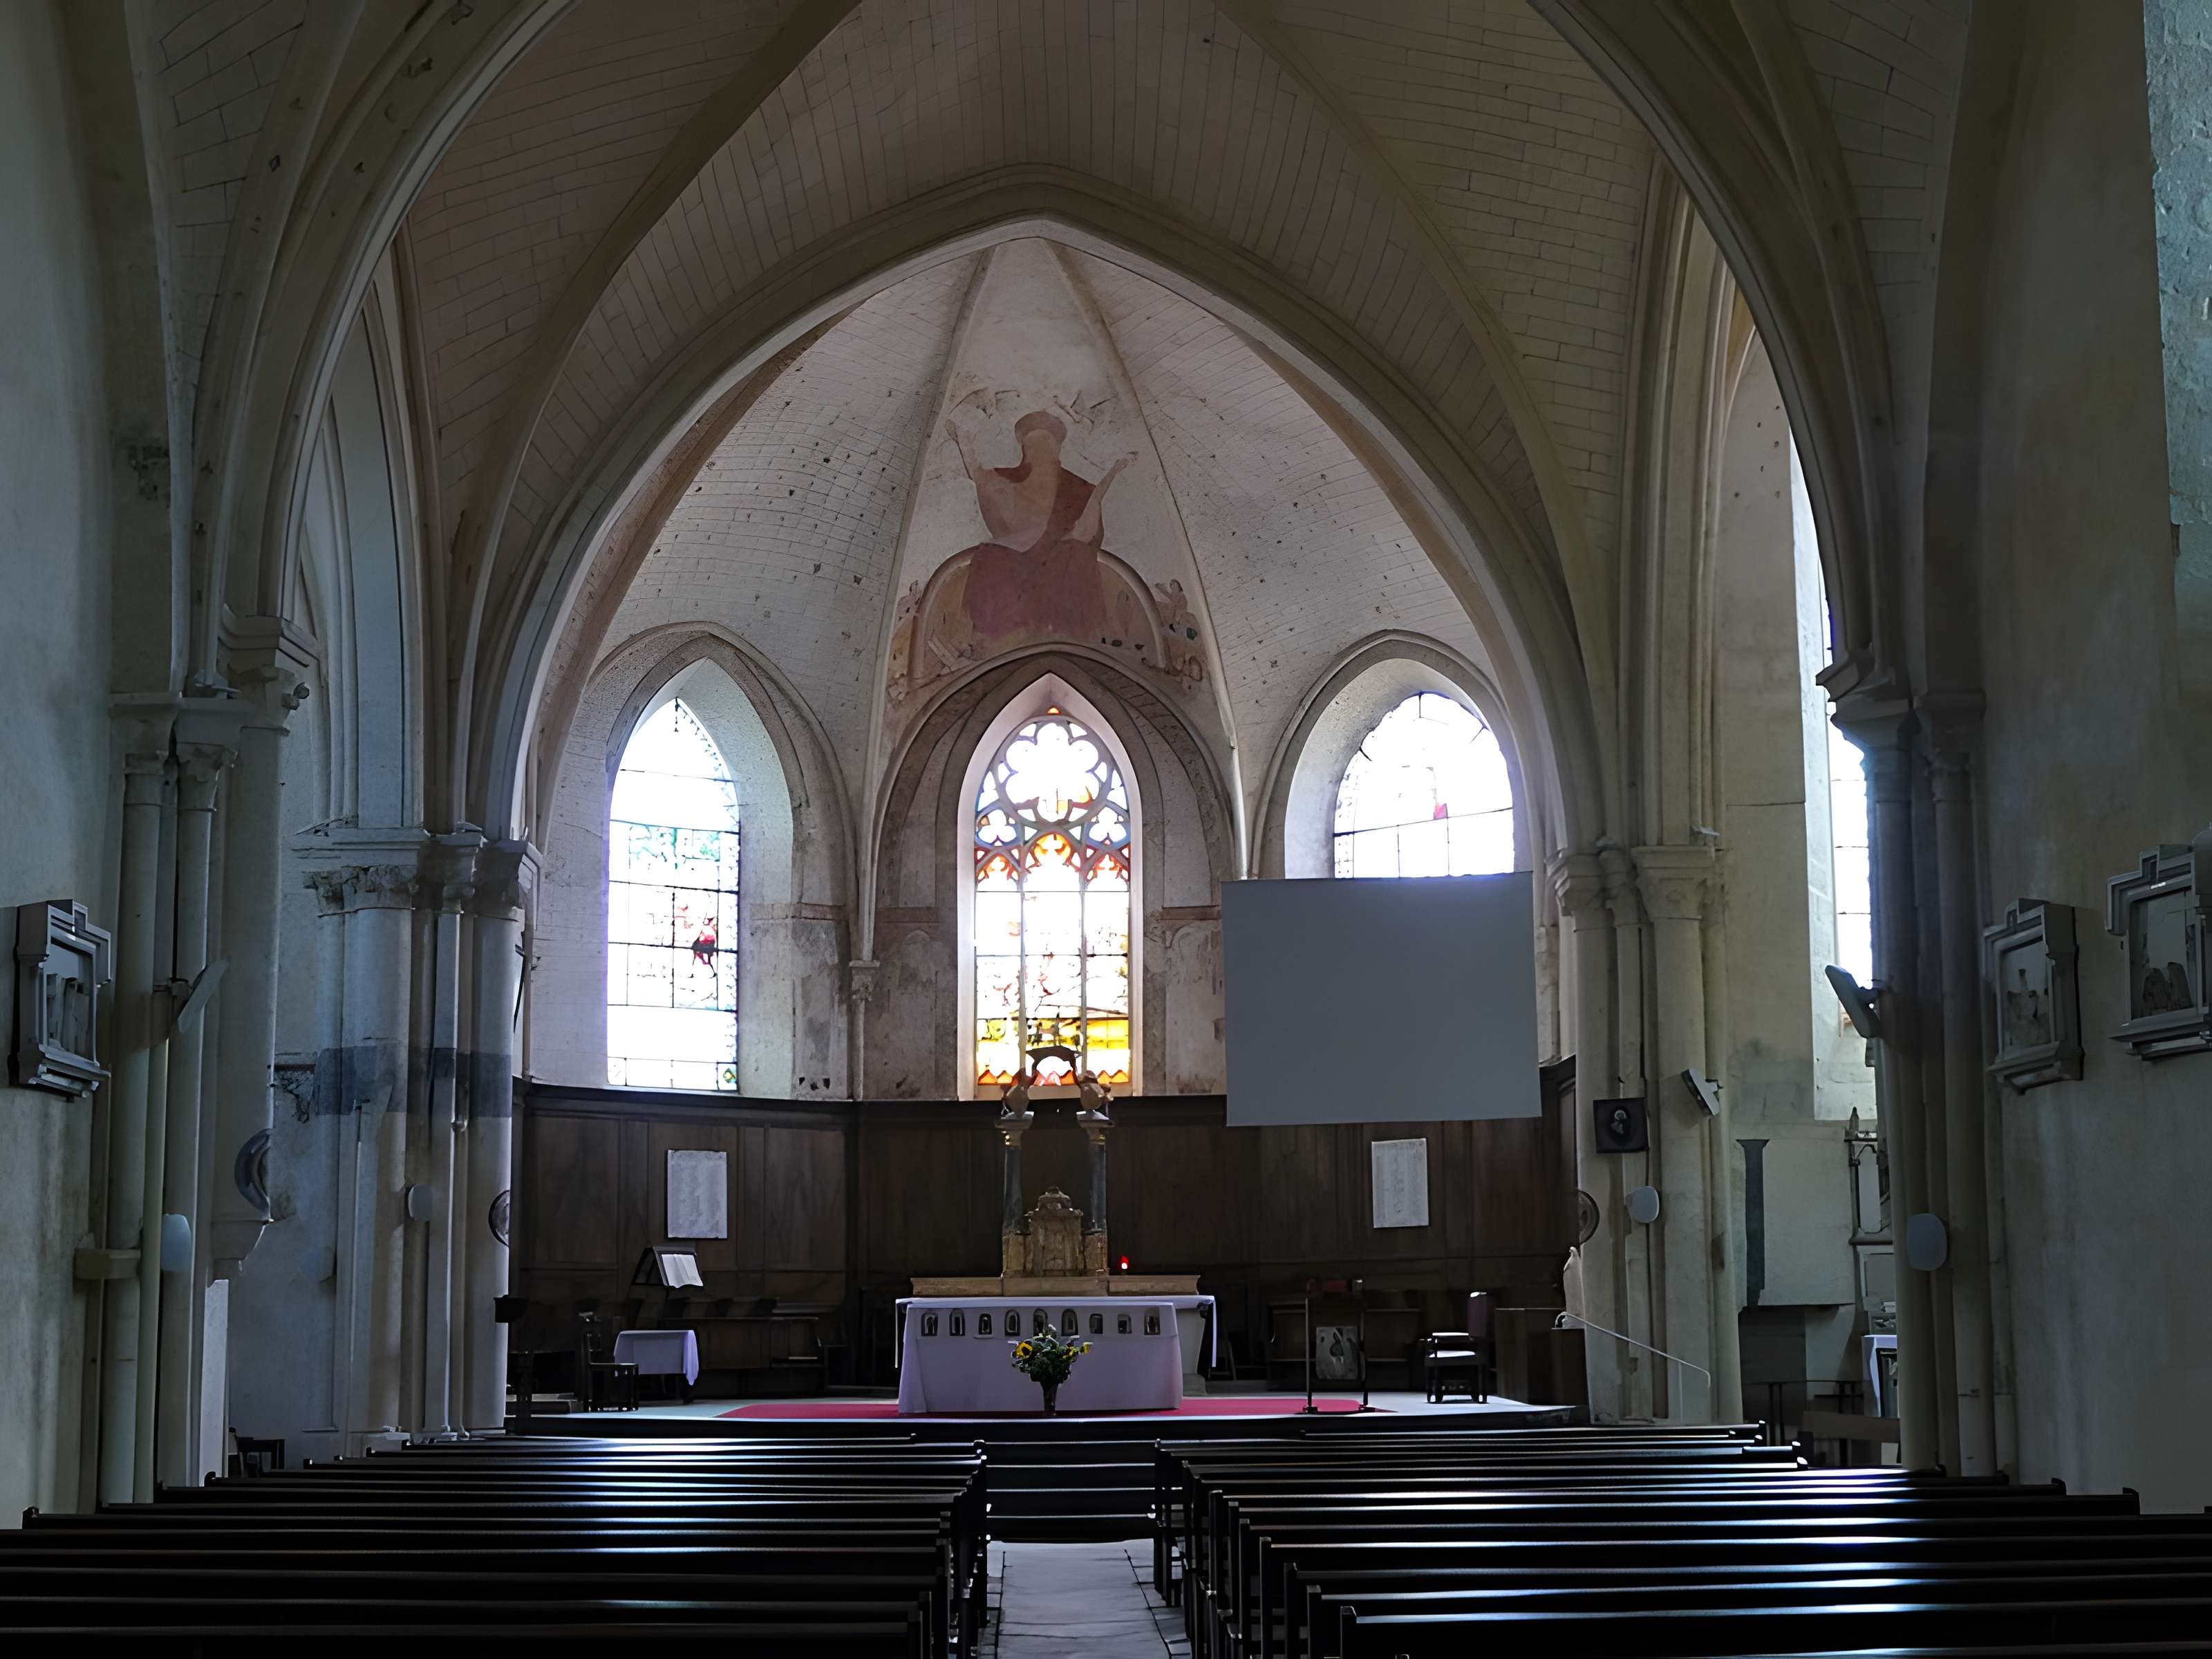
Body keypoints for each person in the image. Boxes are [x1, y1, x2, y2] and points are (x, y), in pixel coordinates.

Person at [944, 410, 1135, 642]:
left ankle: (1062, 634)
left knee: (1070, 559)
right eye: (1032, 445)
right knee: (989, 557)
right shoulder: (1011, 478)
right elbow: (980, 477)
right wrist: (963, 441)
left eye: (1044, 443)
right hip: (1019, 550)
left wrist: (1115, 470)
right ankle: (985, 638)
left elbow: (1090, 519)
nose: (1038, 451)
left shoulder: (1079, 487)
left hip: (1061, 554)